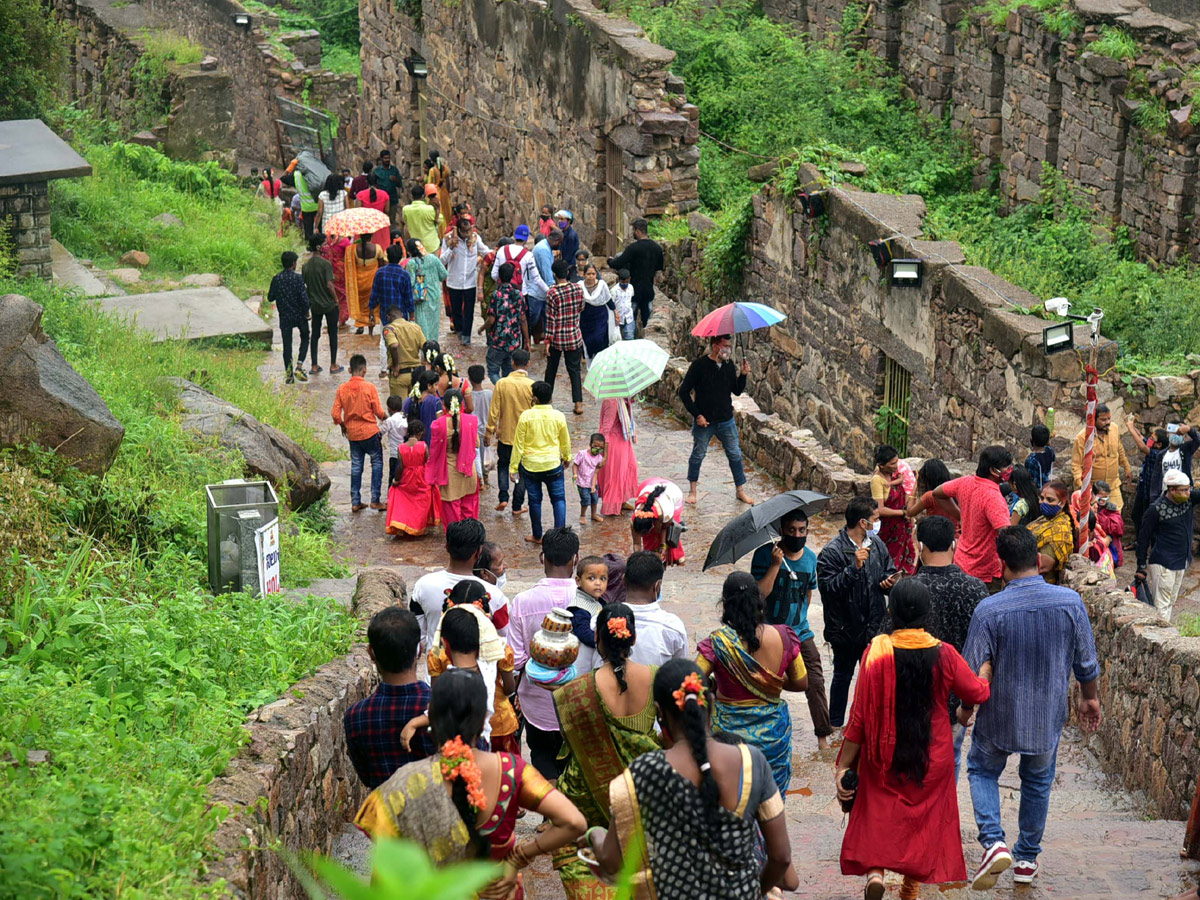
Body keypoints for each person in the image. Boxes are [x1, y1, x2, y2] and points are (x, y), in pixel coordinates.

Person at [354, 669, 586, 900]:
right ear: (484, 719)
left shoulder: (403, 784)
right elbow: (574, 822)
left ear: (431, 718)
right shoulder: (511, 771)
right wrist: (519, 856)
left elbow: (384, 874)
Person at [584, 659, 793, 900]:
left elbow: (611, 862)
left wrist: (594, 835)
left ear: (659, 713)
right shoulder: (751, 761)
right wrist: (755, 890)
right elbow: (781, 857)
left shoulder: (643, 772)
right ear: (710, 704)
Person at [963, 526, 1101, 890]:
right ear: (1038, 561)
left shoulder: (989, 610)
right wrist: (1090, 697)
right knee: (1037, 782)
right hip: (1046, 716)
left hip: (999, 716)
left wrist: (962, 710)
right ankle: (1026, 858)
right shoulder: (1070, 602)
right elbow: (1086, 663)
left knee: (981, 769)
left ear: (1002, 564)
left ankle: (993, 841)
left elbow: (969, 669)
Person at [836, 579, 992, 900]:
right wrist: (986, 672)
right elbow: (976, 692)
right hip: (931, 758)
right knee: (920, 824)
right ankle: (908, 891)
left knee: (877, 812)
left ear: (890, 612)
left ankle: (875, 874)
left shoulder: (875, 653)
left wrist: (843, 766)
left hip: (883, 754)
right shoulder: (944, 654)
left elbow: (860, 717)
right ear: (927, 613)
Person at [553, 602, 662, 900]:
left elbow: (571, 743)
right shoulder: (655, 677)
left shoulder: (573, 692)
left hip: (591, 795)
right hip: (641, 792)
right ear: (634, 638)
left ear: (597, 639)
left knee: (585, 860)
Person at [879, 515, 988, 779]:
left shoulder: (907, 589)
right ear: (954, 544)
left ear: (919, 546)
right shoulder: (976, 589)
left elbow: (884, 642)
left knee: (907, 769)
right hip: (954, 699)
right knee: (949, 764)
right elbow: (985, 649)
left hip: (909, 696)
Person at [697, 571, 808, 794]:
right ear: (760, 600)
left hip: (729, 741)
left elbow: (691, 682)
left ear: (725, 604)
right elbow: (801, 682)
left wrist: (712, 686)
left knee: (732, 799)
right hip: (773, 738)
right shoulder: (784, 636)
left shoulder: (717, 643)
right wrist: (772, 680)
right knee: (770, 801)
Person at [750, 509, 832, 751]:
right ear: (782, 532)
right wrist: (775, 565)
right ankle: (763, 734)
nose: (797, 535)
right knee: (763, 682)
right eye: (792, 531)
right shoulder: (765, 555)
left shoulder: (810, 558)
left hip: (800, 631)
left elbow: (808, 593)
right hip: (768, 632)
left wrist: (799, 620)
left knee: (815, 680)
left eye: (802, 530)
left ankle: (823, 737)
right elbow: (758, 594)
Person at [816, 496, 898, 728]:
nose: (878, 523)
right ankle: (835, 724)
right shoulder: (831, 552)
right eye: (875, 519)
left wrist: (888, 581)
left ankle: (871, 724)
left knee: (875, 678)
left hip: (874, 625)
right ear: (863, 522)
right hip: (845, 629)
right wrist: (854, 568)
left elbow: (887, 569)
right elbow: (829, 590)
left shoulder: (876, 544)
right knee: (842, 676)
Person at [508, 527, 580, 779]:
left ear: (542, 558)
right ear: (576, 559)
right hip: (578, 700)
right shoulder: (588, 601)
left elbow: (516, 660)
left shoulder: (522, 601)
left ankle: (552, 811)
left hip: (536, 702)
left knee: (542, 755)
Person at [344, 607, 435, 787]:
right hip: (442, 812)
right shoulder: (445, 707)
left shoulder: (355, 716)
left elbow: (367, 777)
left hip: (384, 812)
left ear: (371, 653)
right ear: (420, 650)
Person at [425, 589, 517, 752]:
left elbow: (436, 696)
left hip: (457, 730)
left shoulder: (438, 655)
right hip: (500, 723)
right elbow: (510, 688)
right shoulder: (500, 648)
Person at [410, 518, 509, 651]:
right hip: (478, 670)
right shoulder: (495, 595)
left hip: (436, 669)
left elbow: (418, 638)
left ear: (447, 547)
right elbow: (507, 638)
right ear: (479, 553)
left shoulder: (423, 586)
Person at [678, 334, 753, 506]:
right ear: (715, 346)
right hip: (705, 422)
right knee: (698, 454)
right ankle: (693, 491)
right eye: (724, 345)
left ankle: (740, 490)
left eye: (729, 345)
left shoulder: (728, 365)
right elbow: (684, 392)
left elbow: (736, 391)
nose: (727, 349)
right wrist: (697, 415)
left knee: (735, 454)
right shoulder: (699, 366)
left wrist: (742, 375)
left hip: (726, 419)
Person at [932, 445, 1014, 590]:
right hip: (985, 573)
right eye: (1006, 468)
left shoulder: (965, 482)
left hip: (961, 562)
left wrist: (960, 516)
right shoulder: (993, 497)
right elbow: (1006, 535)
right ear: (993, 471)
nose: (1009, 471)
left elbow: (938, 493)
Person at [1135, 468, 1200, 623]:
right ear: (1172, 490)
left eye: (1189, 489)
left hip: (1181, 560)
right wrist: (1141, 564)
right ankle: (1160, 639)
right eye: (1184, 490)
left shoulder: (1189, 500)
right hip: (1164, 563)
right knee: (1161, 605)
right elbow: (1143, 538)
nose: (1188, 493)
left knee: (1170, 601)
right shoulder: (1156, 509)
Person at [511, 380, 571, 544]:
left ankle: (537, 535)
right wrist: (567, 458)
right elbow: (565, 441)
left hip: (531, 466)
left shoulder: (526, 416)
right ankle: (560, 537)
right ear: (551, 398)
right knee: (558, 499)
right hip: (553, 464)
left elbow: (518, 445)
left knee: (535, 501)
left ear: (534, 398)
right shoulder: (559, 416)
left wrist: (513, 467)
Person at [332, 354, 388, 512]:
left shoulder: (342, 389)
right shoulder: (369, 387)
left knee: (356, 467)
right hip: (370, 432)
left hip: (353, 434)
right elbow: (378, 411)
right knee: (376, 463)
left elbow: (335, 414)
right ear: (364, 370)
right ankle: (375, 500)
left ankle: (356, 502)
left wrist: (343, 425)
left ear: (349, 370)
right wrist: (388, 418)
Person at [619, 551, 688, 666]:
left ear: (623, 580)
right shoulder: (673, 627)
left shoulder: (599, 621)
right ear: (658, 586)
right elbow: (680, 674)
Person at [486, 349, 534, 513]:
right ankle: (517, 505)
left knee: (503, 465)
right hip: (525, 439)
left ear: (512, 363)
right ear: (528, 364)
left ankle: (503, 497)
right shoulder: (532, 386)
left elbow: (494, 411)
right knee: (522, 471)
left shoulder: (502, 383)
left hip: (505, 436)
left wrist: (489, 432)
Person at [425, 389, 480, 526]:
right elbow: (477, 444)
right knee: (469, 511)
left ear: (444, 405)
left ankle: (456, 543)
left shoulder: (439, 424)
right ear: (462, 403)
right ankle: (471, 540)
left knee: (452, 515)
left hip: (449, 474)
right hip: (468, 472)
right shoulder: (471, 421)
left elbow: (435, 452)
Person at [543, 259, 586, 415]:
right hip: (574, 336)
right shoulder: (577, 289)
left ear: (554, 274)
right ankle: (578, 403)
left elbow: (550, 318)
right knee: (574, 371)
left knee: (551, 370)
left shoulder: (552, 293)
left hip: (557, 338)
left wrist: (547, 340)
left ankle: (546, 400)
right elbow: (582, 307)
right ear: (567, 272)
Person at [439, 216, 490, 345]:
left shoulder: (476, 239)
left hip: (470, 282)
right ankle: (460, 331)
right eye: (465, 231)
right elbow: (442, 260)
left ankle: (467, 335)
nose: (468, 234)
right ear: (459, 230)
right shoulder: (448, 240)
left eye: (469, 231)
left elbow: (485, 252)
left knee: (469, 310)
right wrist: (451, 248)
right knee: (456, 310)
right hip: (454, 281)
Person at [606, 218, 664, 330]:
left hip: (633, 290)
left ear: (638, 231)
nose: (633, 233)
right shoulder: (657, 248)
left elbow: (618, 263)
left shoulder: (633, 249)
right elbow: (659, 268)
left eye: (633, 230)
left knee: (630, 319)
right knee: (648, 321)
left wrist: (610, 261)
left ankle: (631, 340)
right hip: (648, 290)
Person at [1070, 404, 1130, 511]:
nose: (1107, 422)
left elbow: (1120, 450)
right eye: (1103, 420)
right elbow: (1076, 465)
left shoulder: (1114, 429)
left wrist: (1127, 467)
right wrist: (1084, 488)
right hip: (1093, 489)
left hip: (1113, 485)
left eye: (1109, 419)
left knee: (1115, 516)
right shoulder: (1082, 437)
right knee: (1095, 520)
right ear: (1093, 420)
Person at [385, 419, 440, 537]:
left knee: (405, 501)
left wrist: (396, 481)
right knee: (421, 501)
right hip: (422, 477)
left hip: (407, 478)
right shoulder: (423, 446)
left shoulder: (401, 448)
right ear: (420, 433)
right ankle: (417, 526)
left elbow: (400, 467)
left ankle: (403, 525)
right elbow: (428, 463)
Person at [872, 444, 917, 575]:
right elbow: (880, 509)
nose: (896, 466)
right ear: (881, 465)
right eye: (892, 463)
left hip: (902, 526)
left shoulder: (895, 476)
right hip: (888, 528)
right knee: (888, 561)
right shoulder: (877, 481)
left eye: (896, 462)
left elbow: (907, 490)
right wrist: (903, 513)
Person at [483, 261, 530, 382]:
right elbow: (523, 320)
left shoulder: (496, 295)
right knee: (509, 373)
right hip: (513, 341)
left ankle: (500, 389)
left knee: (493, 371)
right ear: (512, 276)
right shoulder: (519, 295)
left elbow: (491, 319)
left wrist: (481, 328)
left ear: (499, 277)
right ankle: (507, 393)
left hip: (497, 341)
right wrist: (527, 341)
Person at [268, 250, 310, 384]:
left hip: (285, 316)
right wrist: (307, 311)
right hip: (299, 315)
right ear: (293, 263)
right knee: (305, 336)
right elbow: (304, 299)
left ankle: (289, 375)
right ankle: (299, 365)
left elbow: (270, 297)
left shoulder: (277, 278)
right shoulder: (298, 278)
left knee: (287, 346)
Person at [301, 235, 341, 368]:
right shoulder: (326, 264)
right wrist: (336, 300)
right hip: (329, 305)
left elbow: (305, 287)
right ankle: (333, 364)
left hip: (315, 305)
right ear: (318, 247)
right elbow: (329, 285)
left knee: (315, 334)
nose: (327, 247)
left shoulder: (305, 266)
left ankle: (314, 364)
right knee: (333, 334)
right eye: (324, 244)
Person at [400, 237, 448, 344]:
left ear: (409, 251)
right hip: (435, 296)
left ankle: (425, 349)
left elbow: (411, 282)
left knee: (422, 325)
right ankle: (434, 348)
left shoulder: (412, 263)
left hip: (420, 297)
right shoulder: (433, 258)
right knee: (434, 324)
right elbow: (444, 275)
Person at [596, 397, 639, 517]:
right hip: (614, 443)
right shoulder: (612, 401)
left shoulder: (622, 399)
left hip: (623, 440)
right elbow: (605, 429)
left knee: (629, 470)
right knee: (615, 475)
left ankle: (621, 500)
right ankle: (611, 506)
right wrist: (605, 453)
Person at [629, 477, 686, 567]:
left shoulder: (666, 511)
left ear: (652, 526)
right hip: (647, 486)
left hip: (672, 493)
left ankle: (676, 557)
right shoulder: (636, 518)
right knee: (651, 538)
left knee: (669, 533)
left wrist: (663, 545)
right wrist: (638, 560)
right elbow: (636, 544)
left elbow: (665, 527)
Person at [1026, 480, 1074, 585]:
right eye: (1042, 498)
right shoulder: (1043, 519)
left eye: (1050, 500)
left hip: (1041, 583)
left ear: (1062, 503)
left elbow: (1044, 566)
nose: (1044, 503)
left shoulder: (1060, 530)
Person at [567, 555, 609, 673]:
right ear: (578, 581)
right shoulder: (578, 608)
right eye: (591, 578)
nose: (598, 583)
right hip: (580, 663)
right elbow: (584, 634)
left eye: (603, 578)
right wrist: (606, 643)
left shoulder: (599, 602)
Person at [904, 457, 960, 535]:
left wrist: (915, 485)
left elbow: (909, 512)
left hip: (935, 537)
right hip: (954, 537)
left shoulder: (930, 496)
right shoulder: (954, 492)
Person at [344, 233, 386, 335]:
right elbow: (382, 265)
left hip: (358, 283)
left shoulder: (353, 249)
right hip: (372, 282)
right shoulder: (377, 248)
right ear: (371, 237)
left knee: (361, 306)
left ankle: (361, 324)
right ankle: (371, 327)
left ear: (360, 237)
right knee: (373, 305)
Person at [528, 227, 561, 343]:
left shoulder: (545, 247)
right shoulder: (543, 250)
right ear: (556, 240)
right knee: (532, 319)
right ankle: (525, 342)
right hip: (537, 292)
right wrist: (554, 290)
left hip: (541, 291)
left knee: (543, 320)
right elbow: (547, 273)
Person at [382, 312, 424, 400]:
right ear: (402, 315)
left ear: (388, 317)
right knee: (417, 408)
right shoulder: (416, 327)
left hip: (399, 375)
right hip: (416, 375)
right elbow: (425, 346)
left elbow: (393, 345)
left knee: (400, 410)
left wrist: (396, 365)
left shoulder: (389, 329)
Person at [579, 263, 614, 359]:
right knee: (588, 340)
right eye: (588, 274)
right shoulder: (579, 286)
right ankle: (591, 358)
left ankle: (601, 359)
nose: (591, 276)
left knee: (599, 338)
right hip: (586, 317)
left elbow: (608, 299)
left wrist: (615, 312)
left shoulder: (602, 285)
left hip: (600, 316)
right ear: (584, 274)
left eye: (593, 274)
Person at [317, 232, 351, 327]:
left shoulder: (327, 241)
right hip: (341, 272)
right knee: (343, 296)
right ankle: (342, 319)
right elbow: (350, 256)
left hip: (329, 271)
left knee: (331, 293)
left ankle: (332, 319)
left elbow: (321, 253)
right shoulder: (345, 241)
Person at [573, 433, 606, 524]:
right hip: (582, 484)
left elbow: (596, 472)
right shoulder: (582, 454)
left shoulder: (599, 458)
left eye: (600, 447)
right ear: (590, 444)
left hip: (593, 483)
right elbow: (575, 464)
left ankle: (593, 514)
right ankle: (582, 516)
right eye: (595, 446)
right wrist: (575, 474)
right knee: (585, 500)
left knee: (594, 499)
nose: (597, 449)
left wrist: (593, 485)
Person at [354, 174, 391, 251]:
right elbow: (387, 211)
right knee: (382, 249)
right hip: (380, 225)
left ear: (367, 182)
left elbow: (357, 211)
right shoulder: (384, 194)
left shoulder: (361, 195)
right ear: (377, 182)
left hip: (365, 226)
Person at [403, 369, 442, 439]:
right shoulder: (436, 402)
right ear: (429, 386)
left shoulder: (408, 401)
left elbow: (404, 423)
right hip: (429, 442)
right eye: (436, 385)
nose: (437, 388)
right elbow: (440, 424)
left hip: (412, 443)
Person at [1093, 480, 1124, 567]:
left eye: (1106, 497)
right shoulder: (1090, 507)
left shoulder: (1112, 509)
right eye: (1100, 497)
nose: (1103, 500)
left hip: (1111, 547)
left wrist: (1098, 517)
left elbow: (1118, 528)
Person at [402, 184, 440, 253]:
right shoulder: (430, 209)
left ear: (411, 196)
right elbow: (440, 220)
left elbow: (406, 222)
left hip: (416, 247)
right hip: (431, 245)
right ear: (424, 196)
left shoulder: (405, 210)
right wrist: (437, 209)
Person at [379, 393, 408, 483]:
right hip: (405, 453)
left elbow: (379, 432)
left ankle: (392, 494)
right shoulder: (406, 418)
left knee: (393, 476)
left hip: (394, 453)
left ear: (389, 408)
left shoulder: (390, 421)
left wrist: (381, 421)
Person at [426, 150, 453, 229]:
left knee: (438, 212)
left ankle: (440, 230)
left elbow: (430, 184)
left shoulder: (432, 171)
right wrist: (447, 193)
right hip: (444, 193)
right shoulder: (446, 168)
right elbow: (448, 183)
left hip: (435, 193)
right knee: (446, 212)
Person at [372, 149, 402, 221]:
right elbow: (373, 184)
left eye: (388, 158)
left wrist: (395, 180)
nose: (387, 160)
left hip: (392, 200)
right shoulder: (377, 171)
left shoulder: (394, 170)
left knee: (391, 221)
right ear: (382, 159)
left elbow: (400, 184)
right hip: (380, 201)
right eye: (385, 158)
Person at [1024, 423, 1055, 489]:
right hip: (1049, 487)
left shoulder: (1031, 460)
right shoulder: (1050, 451)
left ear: (1031, 440)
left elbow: (1031, 482)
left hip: (1038, 493)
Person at [611, 269, 636, 341]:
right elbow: (612, 305)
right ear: (619, 280)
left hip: (629, 317)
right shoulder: (614, 291)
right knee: (617, 339)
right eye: (623, 282)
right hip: (618, 319)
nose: (625, 284)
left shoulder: (631, 288)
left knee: (630, 338)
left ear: (629, 279)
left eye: (626, 282)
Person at [554, 209, 580, 276]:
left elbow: (569, 255)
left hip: (569, 267)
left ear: (569, 221)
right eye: (559, 219)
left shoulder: (571, 236)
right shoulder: (563, 233)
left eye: (562, 219)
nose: (560, 221)